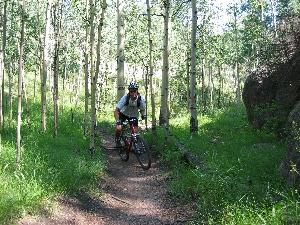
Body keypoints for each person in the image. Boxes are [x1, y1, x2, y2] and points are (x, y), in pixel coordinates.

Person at [114, 81, 146, 147]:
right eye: (131, 91)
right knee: (119, 128)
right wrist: (118, 121)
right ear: (129, 91)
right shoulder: (125, 98)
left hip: (134, 115)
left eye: (134, 91)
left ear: (137, 91)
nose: (133, 93)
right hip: (123, 114)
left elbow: (142, 109)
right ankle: (117, 139)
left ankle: (133, 145)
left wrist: (143, 115)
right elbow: (116, 110)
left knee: (135, 132)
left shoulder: (141, 99)